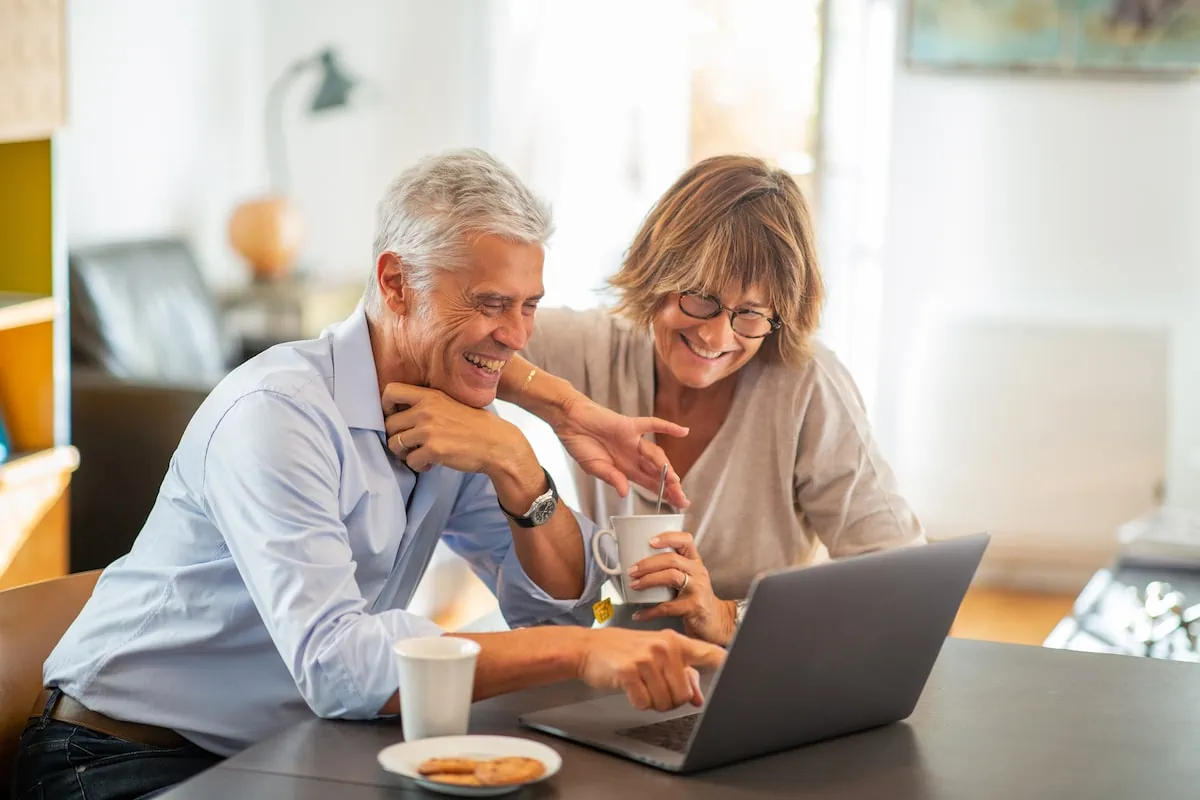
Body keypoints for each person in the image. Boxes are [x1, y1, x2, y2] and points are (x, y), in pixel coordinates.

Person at [12, 149, 725, 800]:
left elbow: (555, 612)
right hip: (115, 757)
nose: (515, 335)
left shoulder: (458, 417)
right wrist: (583, 647)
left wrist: (520, 466)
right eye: (489, 303)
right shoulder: (279, 415)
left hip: (286, 750)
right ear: (396, 281)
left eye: (527, 306)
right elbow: (338, 666)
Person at [495, 154, 925, 647]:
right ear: (658, 271)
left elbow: (899, 576)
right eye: (700, 297)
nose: (716, 335)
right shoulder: (597, 346)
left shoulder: (806, 387)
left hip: (757, 666)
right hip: (619, 655)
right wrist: (562, 406)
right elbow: (456, 346)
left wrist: (729, 617)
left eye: (750, 313)